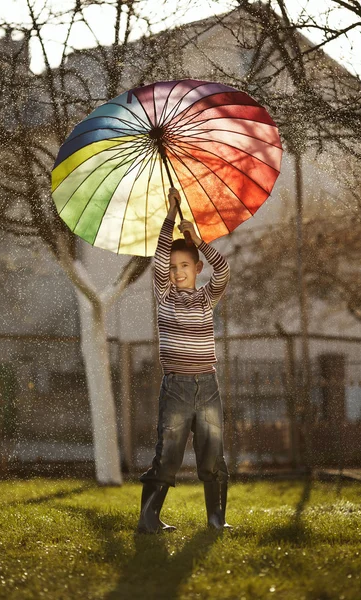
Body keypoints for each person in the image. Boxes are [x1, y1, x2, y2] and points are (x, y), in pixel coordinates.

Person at [137, 187, 232, 534]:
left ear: (197, 267)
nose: (177, 272)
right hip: (176, 387)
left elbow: (223, 270)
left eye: (185, 266)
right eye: (173, 267)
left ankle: (216, 519)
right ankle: (148, 518)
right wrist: (170, 216)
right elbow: (161, 261)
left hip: (207, 387)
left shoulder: (207, 299)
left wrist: (197, 237)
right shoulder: (164, 296)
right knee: (169, 455)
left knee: (213, 457)